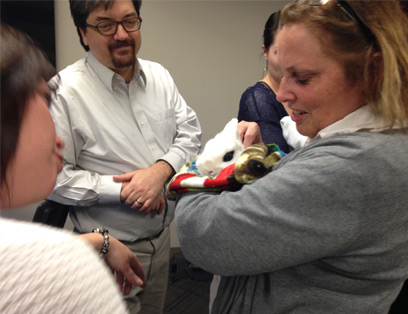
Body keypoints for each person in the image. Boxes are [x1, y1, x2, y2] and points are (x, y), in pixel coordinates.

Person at [175, 0, 408, 313]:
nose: (282, 94)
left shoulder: (352, 166)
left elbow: (200, 236)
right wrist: (257, 160)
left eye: (302, 78)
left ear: (372, 70)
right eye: (282, 74)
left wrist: (207, 165)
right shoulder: (376, 140)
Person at [46, 0, 201, 313]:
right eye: (106, 25)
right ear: (83, 33)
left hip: (161, 242)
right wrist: (126, 190)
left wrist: (159, 172)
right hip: (105, 251)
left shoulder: (160, 76)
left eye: (129, 21)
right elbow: (53, 179)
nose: (121, 34)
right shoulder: (64, 92)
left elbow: (191, 134)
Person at [0, 23, 146, 313]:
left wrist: (97, 242)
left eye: (129, 21)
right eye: (44, 99)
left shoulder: (160, 77)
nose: (59, 140)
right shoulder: (64, 272)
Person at [238, 11, 300, 153]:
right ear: (265, 51)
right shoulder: (257, 99)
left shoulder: (306, 93)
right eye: (279, 52)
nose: (288, 61)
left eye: (294, 51)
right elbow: (275, 161)